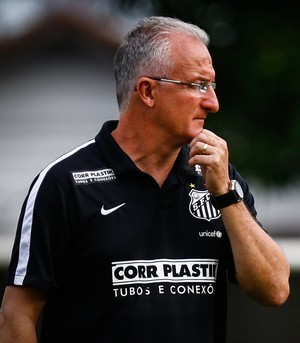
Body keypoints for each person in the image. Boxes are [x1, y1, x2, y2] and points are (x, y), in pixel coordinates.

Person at [0, 16, 290, 343]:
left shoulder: (218, 180)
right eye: (198, 85)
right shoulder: (65, 183)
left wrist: (225, 195)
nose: (213, 102)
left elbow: (275, 290)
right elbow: (16, 316)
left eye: (212, 86)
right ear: (148, 91)